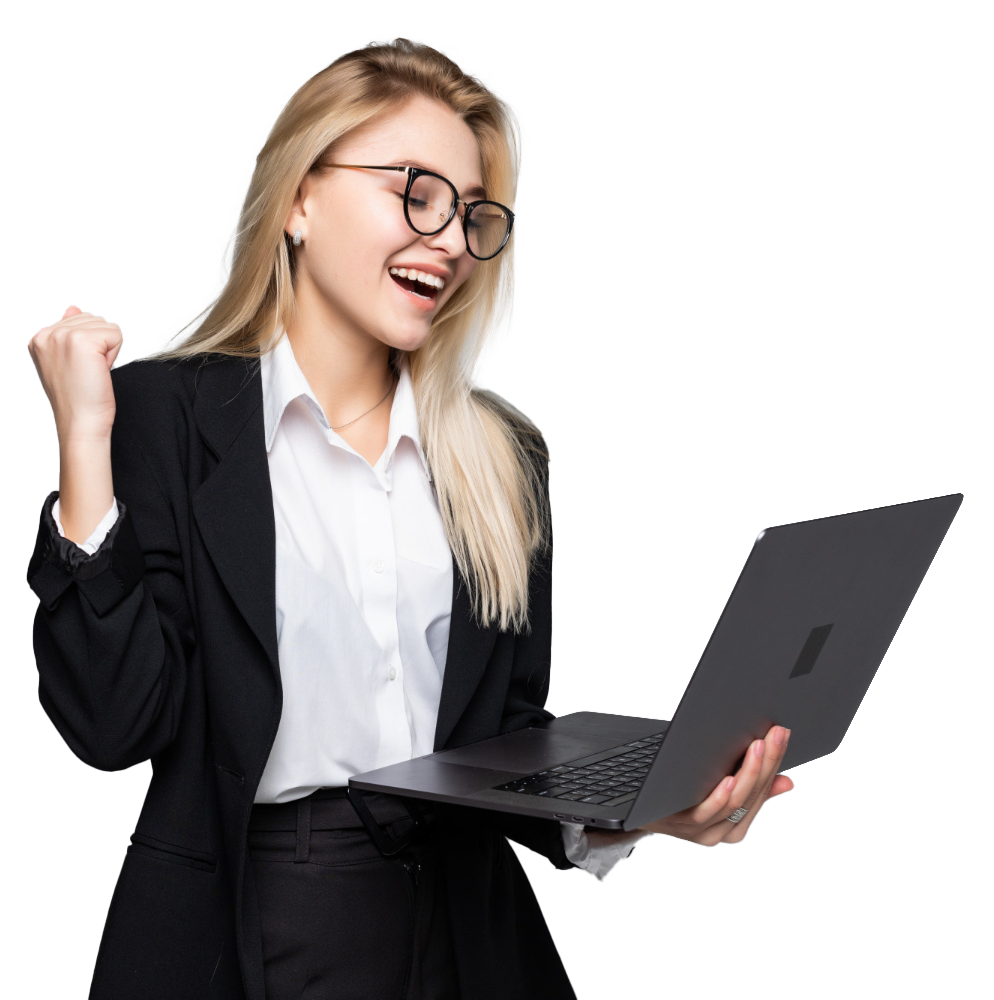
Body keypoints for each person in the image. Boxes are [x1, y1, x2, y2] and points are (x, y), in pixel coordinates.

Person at [25, 35, 794, 1000]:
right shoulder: (160, 419)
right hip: (255, 931)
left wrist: (640, 807)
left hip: (467, 934)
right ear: (301, 198)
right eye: (415, 192)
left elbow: (500, 737)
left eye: (473, 216)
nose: (448, 238)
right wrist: (85, 448)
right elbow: (113, 724)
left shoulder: (501, 459)